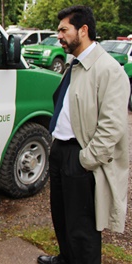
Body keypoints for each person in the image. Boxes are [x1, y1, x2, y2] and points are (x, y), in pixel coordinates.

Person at [38, 5, 130, 264]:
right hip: (60, 150)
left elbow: (112, 126)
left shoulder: (109, 70)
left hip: (80, 156)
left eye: (63, 29)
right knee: (62, 216)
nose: (59, 35)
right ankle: (66, 258)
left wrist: (86, 159)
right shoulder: (75, 64)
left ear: (84, 30)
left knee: (83, 227)